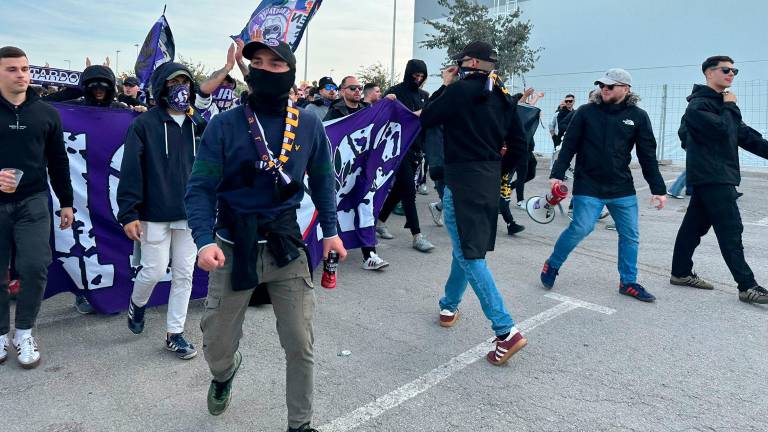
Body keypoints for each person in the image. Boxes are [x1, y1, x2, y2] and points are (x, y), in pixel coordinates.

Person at [185, 39, 346, 432]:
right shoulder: (224, 124)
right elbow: (200, 187)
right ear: (249, 71)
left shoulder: (308, 123)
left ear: (289, 73)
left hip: (285, 247)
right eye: (256, 62)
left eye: (275, 64)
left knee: (300, 344)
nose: (265, 69)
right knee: (217, 344)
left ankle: (300, 424)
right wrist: (204, 240)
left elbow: (324, 181)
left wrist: (331, 231)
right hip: (230, 245)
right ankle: (224, 374)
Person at [421, 41, 529, 366]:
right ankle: (449, 304)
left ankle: (504, 329)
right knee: (464, 246)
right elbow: (520, 147)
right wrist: (499, 171)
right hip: (488, 180)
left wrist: (444, 85)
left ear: (469, 62)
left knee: (470, 254)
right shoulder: (503, 96)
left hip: (461, 182)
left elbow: (427, 118)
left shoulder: (459, 91)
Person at [540, 68, 667, 303]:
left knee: (630, 235)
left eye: (610, 86)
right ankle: (552, 265)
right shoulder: (586, 112)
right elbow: (569, 145)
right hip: (589, 184)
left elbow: (648, 155)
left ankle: (628, 282)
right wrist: (557, 173)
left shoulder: (638, 116)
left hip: (622, 188)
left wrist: (658, 189)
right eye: (602, 86)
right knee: (581, 228)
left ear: (625, 89)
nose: (604, 89)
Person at [117, 62, 207, 359]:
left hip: (190, 213)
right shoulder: (144, 124)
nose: (180, 87)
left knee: (184, 273)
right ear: (160, 87)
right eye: (172, 82)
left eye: (185, 81)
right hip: (153, 212)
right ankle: (137, 303)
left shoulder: (198, 124)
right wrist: (129, 212)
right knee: (153, 271)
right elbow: (130, 170)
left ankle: (175, 334)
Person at [670, 55, 768, 303]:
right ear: (709, 73)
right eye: (726, 69)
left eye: (734, 70)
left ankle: (680, 273)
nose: (731, 74)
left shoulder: (721, 104)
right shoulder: (699, 106)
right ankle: (747, 286)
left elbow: (744, 135)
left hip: (711, 176)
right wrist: (731, 107)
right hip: (714, 176)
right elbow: (721, 131)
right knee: (730, 229)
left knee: (693, 228)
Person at [0, 46, 74, 368]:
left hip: (33, 201)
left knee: (34, 266)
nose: (21, 75)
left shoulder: (46, 113)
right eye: (12, 69)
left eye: (25, 69)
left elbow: (59, 161)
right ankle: (0, 332)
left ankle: (24, 331)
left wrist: (67, 203)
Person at [323, 76, 389, 270]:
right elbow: (326, 137)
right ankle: (329, 248)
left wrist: (388, 103)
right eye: (352, 88)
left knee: (365, 208)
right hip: (340, 173)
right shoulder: (334, 112)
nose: (357, 91)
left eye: (359, 88)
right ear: (343, 91)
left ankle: (369, 254)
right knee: (337, 209)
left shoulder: (366, 111)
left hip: (362, 171)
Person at [376, 59, 435, 253]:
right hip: (397, 149)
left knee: (400, 190)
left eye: (421, 76)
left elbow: (429, 119)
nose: (418, 79)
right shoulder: (395, 93)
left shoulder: (425, 96)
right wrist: (390, 104)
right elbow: (383, 118)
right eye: (415, 75)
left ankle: (380, 221)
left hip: (416, 149)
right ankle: (417, 235)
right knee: (409, 190)